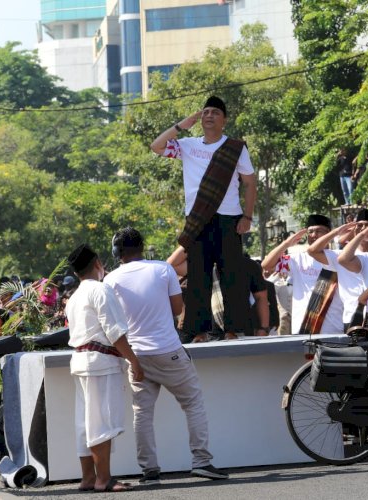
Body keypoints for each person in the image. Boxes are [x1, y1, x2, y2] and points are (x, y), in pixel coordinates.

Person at [104, 228, 228, 484]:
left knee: (143, 413)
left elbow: (113, 321)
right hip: (168, 351)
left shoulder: (111, 280)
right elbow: (177, 308)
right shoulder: (162, 269)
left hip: (137, 356)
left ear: (117, 252)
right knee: (192, 403)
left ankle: (150, 471)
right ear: (142, 246)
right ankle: (201, 461)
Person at [150, 95, 256, 343]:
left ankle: (233, 329)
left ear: (224, 120)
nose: (209, 116)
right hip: (198, 219)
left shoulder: (236, 148)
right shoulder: (187, 144)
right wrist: (180, 125)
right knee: (199, 275)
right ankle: (198, 331)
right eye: (206, 112)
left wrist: (248, 216)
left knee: (231, 274)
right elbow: (156, 146)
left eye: (215, 113)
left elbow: (250, 183)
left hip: (229, 218)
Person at [65, 243, 144, 493]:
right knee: (100, 423)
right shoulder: (100, 289)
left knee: (85, 423)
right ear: (97, 263)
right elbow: (115, 332)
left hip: (82, 360)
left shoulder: (74, 297)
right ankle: (103, 479)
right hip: (100, 361)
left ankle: (89, 478)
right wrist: (134, 360)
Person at [262, 214, 343, 335]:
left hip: (332, 328)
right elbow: (266, 265)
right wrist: (287, 243)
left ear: (328, 234)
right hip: (303, 327)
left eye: (319, 231)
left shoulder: (339, 257)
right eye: (310, 232)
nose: (314, 235)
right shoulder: (297, 259)